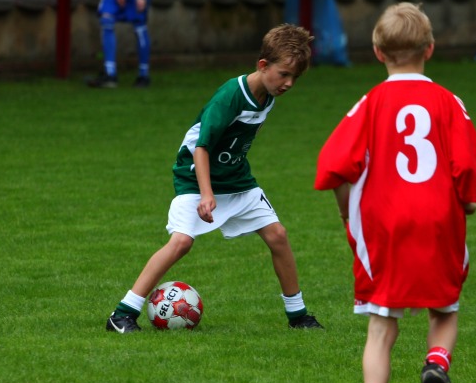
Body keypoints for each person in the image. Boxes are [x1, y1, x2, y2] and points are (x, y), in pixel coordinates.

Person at [315, 3, 476, 383]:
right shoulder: (449, 101)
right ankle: (436, 364)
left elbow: (333, 164)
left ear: (377, 52)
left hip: (384, 223)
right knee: (444, 308)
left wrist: (345, 209)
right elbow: (467, 162)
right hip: (437, 218)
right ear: (430, 48)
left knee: (381, 326)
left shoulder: (370, 103)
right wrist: (467, 202)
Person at [105, 24, 324, 333]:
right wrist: (207, 193)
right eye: (284, 74)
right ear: (263, 65)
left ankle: (298, 315)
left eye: (295, 78)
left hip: (236, 180)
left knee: (278, 235)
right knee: (181, 242)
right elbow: (202, 147)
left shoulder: (269, 95)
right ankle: (122, 314)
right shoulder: (230, 96)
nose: (288, 83)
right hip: (195, 177)